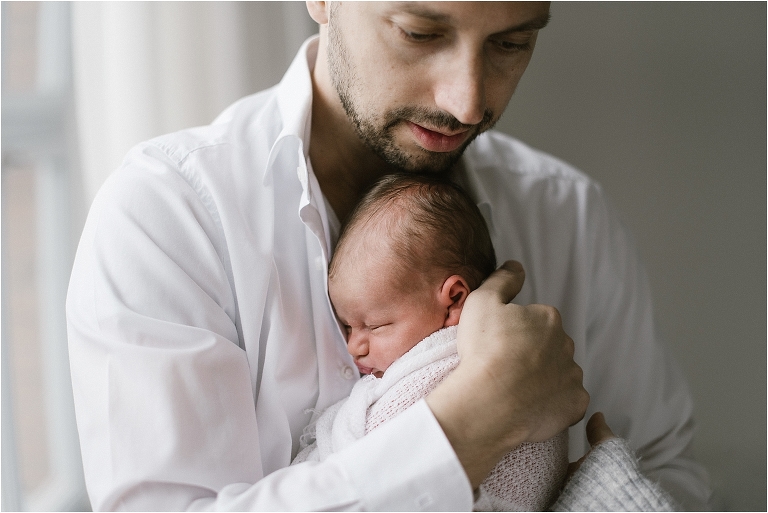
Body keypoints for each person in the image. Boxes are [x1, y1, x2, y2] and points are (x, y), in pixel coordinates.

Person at [66, 2, 710, 511]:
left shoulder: (568, 215)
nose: (468, 102)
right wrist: (476, 420)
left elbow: (662, 474)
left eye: (512, 43)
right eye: (421, 32)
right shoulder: (170, 216)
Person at [292, 172, 675, 511]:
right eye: (346, 327)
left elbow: (369, 456)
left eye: (374, 326)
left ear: (454, 300)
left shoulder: (440, 365)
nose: (354, 346)